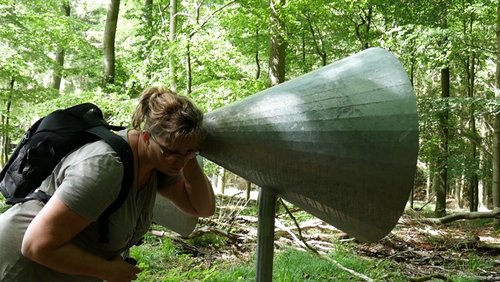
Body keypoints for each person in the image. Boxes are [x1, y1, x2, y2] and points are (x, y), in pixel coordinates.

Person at [0, 85, 215, 282]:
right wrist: (110, 271)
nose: (178, 161)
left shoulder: (159, 163)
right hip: (19, 266)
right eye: (171, 152)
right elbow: (36, 245)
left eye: (189, 152)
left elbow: (201, 208)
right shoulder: (104, 168)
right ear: (147, 138)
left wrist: (188, 153)